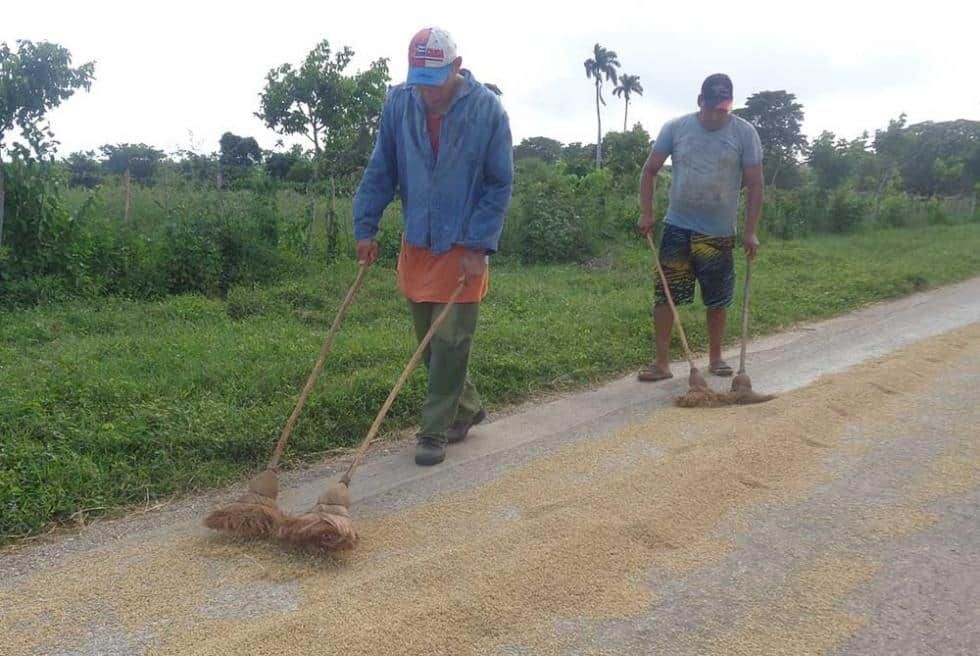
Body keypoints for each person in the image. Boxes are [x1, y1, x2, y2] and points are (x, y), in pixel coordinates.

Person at [352, 27, 514, 466]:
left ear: (457, 69)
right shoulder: (399, 103)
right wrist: (365, 226)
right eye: (419, 82)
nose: (427, 93)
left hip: (463, 244)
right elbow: (381, 168)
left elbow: (499, 185)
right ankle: (465, 408)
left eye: (435, 82)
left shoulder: (487, 112)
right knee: (428, 339)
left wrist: (479, 246)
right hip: (419, 239)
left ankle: (435, 430)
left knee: (452, 340)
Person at [636, 73, 764, 382]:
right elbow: (650, 170)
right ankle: (662, 363)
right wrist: (647, 212)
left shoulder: (745, 134)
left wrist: (750, 231)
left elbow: (756, 184)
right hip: (678, 227)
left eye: (725, 108)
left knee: (717, 300)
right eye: (714, 107)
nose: (719, 114)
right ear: (700, 102)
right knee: (666, 296)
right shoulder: (677, 128)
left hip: (719, 233)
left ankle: (716, 358)